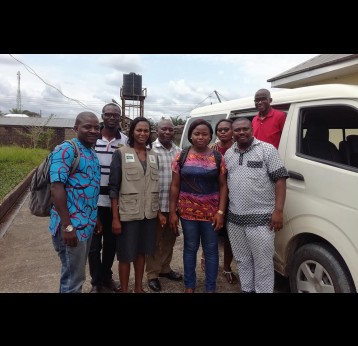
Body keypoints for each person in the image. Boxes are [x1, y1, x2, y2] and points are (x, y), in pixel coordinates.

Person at [225, 117, 288, 293]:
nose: (241, 132)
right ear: (233, 133)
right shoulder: (230, 153)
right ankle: (247, 289)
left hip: (262, 218)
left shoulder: (267, 150)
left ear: (251, 129)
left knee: (263, 262)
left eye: (245, 128)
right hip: (235, 219)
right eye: (237, 130)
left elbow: (280, 180)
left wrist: (278, 210)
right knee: (242, 259)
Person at [169, 119, 228, 293]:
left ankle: (210, 287)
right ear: (190, 136)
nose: (200, 137)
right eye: (196, 133)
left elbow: (224, 186)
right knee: (190, 248)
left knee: (211, 250)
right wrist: (173, 211)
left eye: (204, 134)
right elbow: (174, 186)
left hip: (211, 213)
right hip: (187, 213)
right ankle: (189, 286)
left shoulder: (218, 157)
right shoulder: (181, 155)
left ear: (210, 136)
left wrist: (221, 212)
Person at [49, 112, 101, 293]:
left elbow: (91, 190)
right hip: (72, 226)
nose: (93, 131)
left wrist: (96, 218)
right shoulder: (67, 149)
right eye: (88, 127)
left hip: (86, 224)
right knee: (72, 278)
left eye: (96, 127)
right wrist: (67, 226)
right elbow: (56, 188)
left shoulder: (91, 152)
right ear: (76, 128)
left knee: (76, 275)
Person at [109, 117, 159, 293]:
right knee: (125, 255)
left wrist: (159, 212)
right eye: (139, 130)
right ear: (132, 132)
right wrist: (115, 218)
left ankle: (138, 288)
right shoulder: (121, 153)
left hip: (149, 215)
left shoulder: (154, 156)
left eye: (146, 131)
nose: (143, 134)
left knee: (141, 253)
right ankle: (124, 289)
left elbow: (154, 186)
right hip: (128, 214)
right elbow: (113, 188)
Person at [88, 103, 128, 293]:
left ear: (120, 118)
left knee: (111, 245)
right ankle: (96, 282)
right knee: (94, 246)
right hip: (92, 203)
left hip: (114, 202)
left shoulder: (126, 141)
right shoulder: (92, 139)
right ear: (102, 116)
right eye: (108, 114)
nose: (112, 118)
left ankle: (106, 277)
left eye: (115, 115)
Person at [146, 119, 183, 292]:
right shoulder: (149, 150)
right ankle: (152, 274)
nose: (167, 132)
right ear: (156, 130)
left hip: (175, 205)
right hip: (156, 204)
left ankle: (165, 269)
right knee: (154, 241)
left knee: (170, 237)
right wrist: (157, 209)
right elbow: (147, 181)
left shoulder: (180, 151)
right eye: (164, 129)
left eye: (170, 129)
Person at [200, 119, 237, 284]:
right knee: (210, 231)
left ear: (232, 131)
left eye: (226, 129)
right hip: (213, 197)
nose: (223, 132)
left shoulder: (238, 149)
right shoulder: (211, 150)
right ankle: (205, 257)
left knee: (230, 236)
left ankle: (227, 267)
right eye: (219, 130)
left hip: (235, 198)